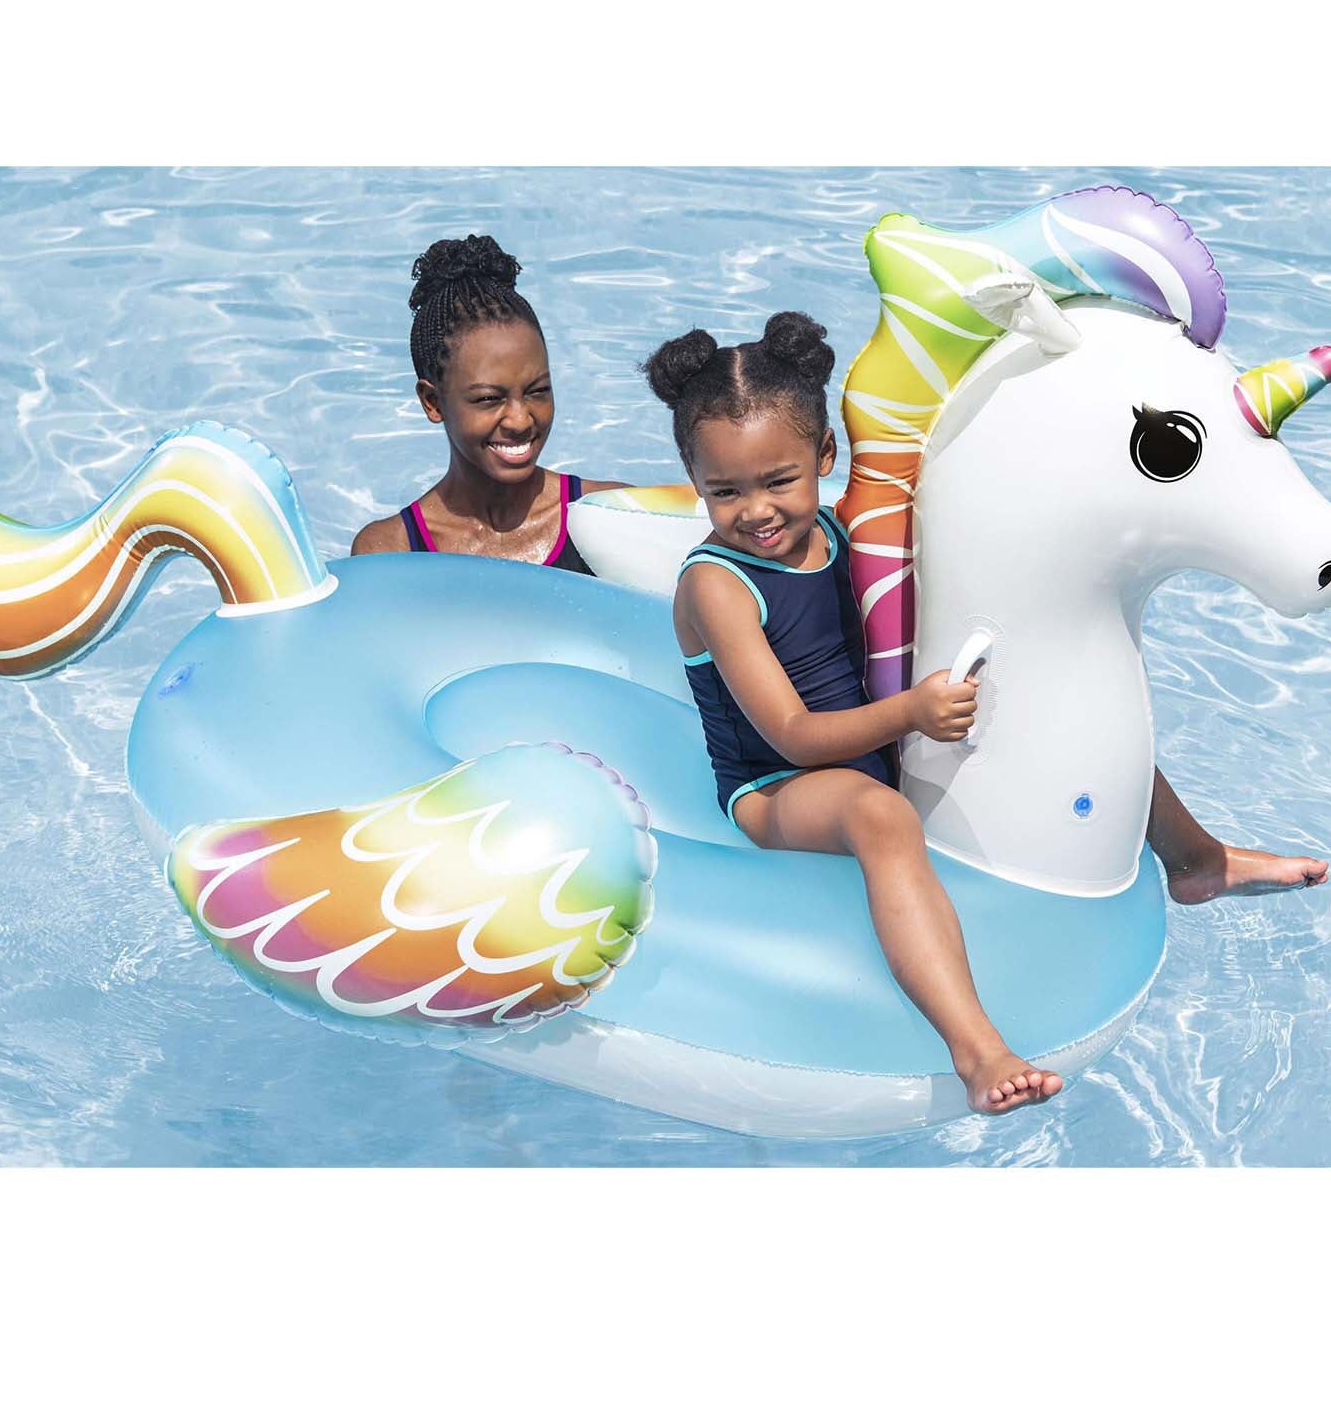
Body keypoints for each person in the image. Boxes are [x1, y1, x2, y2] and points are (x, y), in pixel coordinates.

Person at [653, 311, 1063, 1114]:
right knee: (880, 816)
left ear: (825, 456)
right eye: (725, 492)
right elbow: (793, 737)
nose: (756, 511)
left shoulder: (844, 532)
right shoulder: (717, 584)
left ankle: (1198, 858)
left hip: (863, 745)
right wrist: (912, 712)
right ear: (694, 480)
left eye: (779, 481)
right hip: (775, 786)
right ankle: (979, 1052)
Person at [352, 234, 624, 567]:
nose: (520, 420)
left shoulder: (614, 516)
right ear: (432, 402)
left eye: (538, 391)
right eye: (489, 398)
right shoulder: (390, 550)